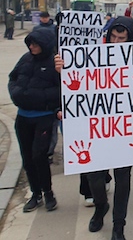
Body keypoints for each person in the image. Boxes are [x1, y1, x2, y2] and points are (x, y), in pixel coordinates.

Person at [58, 16, 133, 240]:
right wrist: (63, 70)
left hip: (125, 132)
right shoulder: (93, 55)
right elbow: (77, 86)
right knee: (94, 178)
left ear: (130, 38)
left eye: (121, 38)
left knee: (123, 181)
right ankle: (100, 206)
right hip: (98, 132)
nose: (116, 42)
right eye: (113, 36)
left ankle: (118, 226)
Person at [9, 27, 60, 212]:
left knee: (39, 156)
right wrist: (17, 93)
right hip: (23, 117)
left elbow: (61, 89)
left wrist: (39, 97)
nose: (32, 46)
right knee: (27, 158)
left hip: (43, 117)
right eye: (30, 43)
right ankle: (35, 193)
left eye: (35, 43)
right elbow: (13, 78)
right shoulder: (25, 59)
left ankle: (48, 192)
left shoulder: (54, 62)